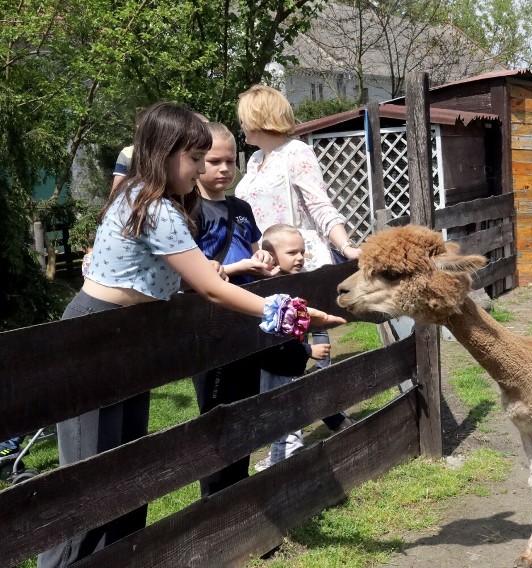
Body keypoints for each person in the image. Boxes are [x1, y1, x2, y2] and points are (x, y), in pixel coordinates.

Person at [38, 102, 345, 568]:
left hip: (126, 339)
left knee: (128, 472)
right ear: (163, 152)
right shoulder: (152, 205)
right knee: (87, 487)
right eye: (195, 158)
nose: (203, 169)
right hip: (94, 339)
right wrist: (290, 315)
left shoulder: (156, 202)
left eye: (206, 159)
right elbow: (209, 289)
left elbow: (187, 277)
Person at [235, 84, 359, 434]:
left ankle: (330, 419)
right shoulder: (256, 160)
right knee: (280, 348)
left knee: (306, 341)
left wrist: (346, 246)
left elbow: (319, 204)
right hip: (266, 266)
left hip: (298, 262)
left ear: (258, 117)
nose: (241, 126)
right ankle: (293, 430)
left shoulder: (297, 153)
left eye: (244, 118)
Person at [189, 122, 277, 496]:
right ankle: (214, 499)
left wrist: (264, 255)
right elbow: (196, 272)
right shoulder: (188, 210)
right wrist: (239, 267)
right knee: (216, 414)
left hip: (248, 319)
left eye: (230, 161)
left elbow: (258, 245)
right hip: (212, 325)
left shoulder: (241, 207)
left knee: (245, 408)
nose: (224, 169)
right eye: (214, 161)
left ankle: (240, 492)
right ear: (196, 162)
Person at [253, 224, 333, 470]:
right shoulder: (269, 290)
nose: (299, 257)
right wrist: (308, 351)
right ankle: (286, 467)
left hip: (291, 363)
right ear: (270, 254)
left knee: (290, 412)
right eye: (292, 253)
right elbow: (273, 341)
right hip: (276, 367)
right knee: (284, 417)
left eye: (302, 251)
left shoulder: (297, 281)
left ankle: (282, 459)